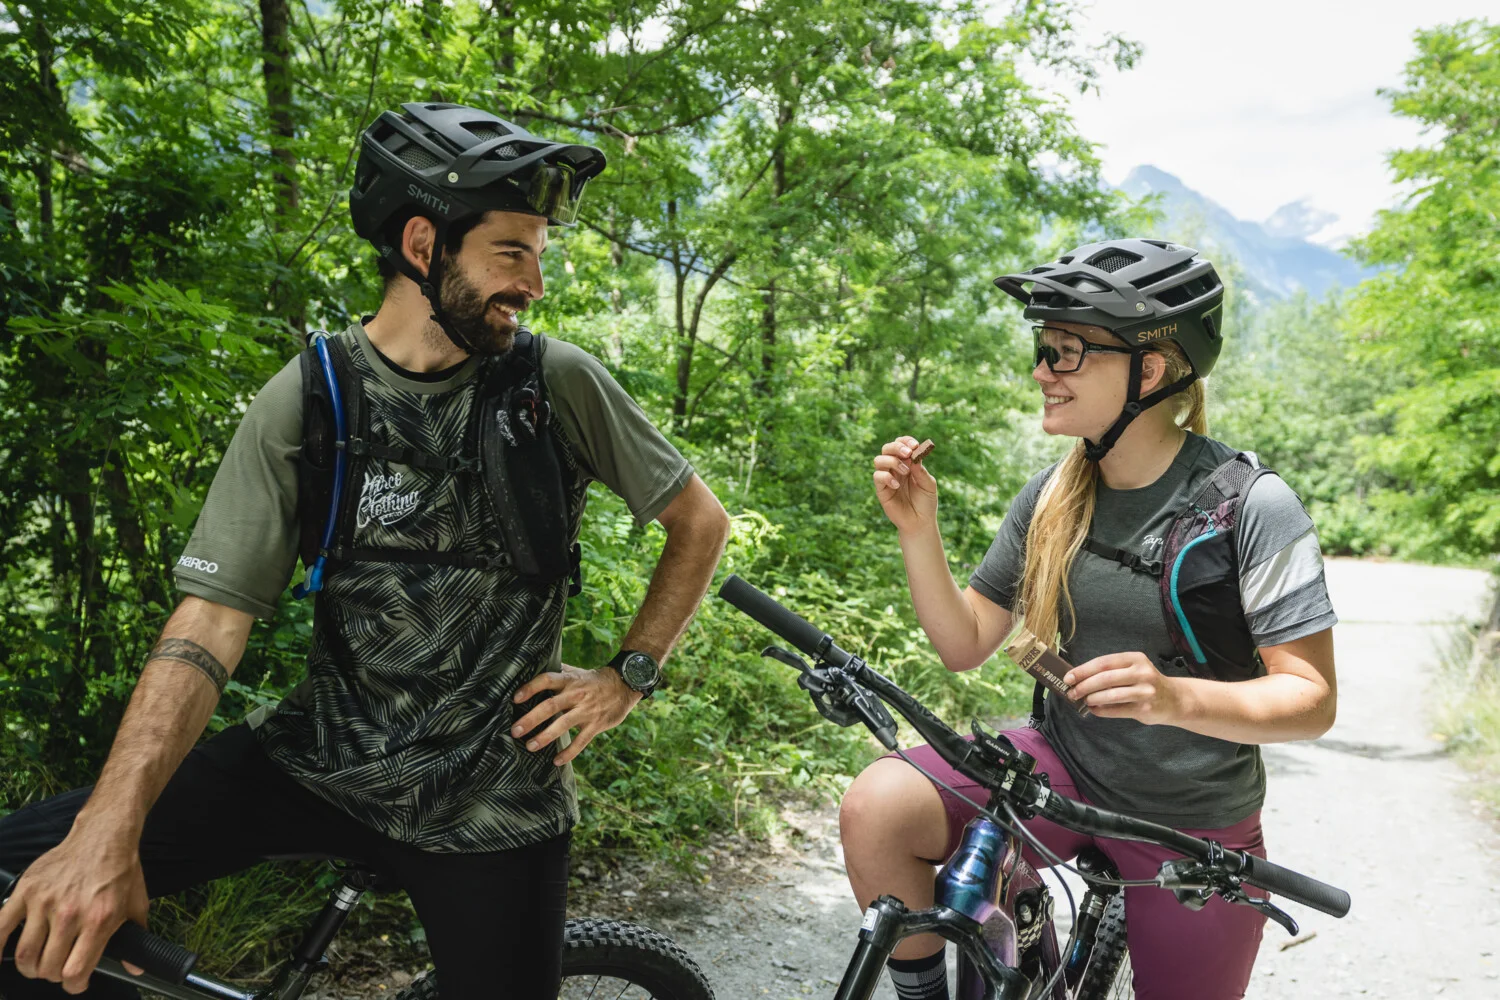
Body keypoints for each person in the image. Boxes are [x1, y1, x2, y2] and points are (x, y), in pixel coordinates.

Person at [0, 102, 730, 999]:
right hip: (318, 762)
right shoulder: (310, 396)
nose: (535, 282)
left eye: (539, 254)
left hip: (491, 801)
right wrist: (107, 828)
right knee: (21, 885)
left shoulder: (557, 382)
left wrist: (629, 676)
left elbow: (700, 521)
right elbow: (210, 622)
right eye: (511, 252)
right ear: (423, 244)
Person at [840, 239, 1338, 1000]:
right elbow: (965, 642)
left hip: (1189, 818)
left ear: (1151, 369)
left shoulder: (1252, 506)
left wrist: (1173, 697)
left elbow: (1311, 699)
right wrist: (918, 530)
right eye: (1043, 348)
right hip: (1058, 773)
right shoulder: (1051, 494)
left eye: (1067, 351)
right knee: (878, 807)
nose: (1043, 371)